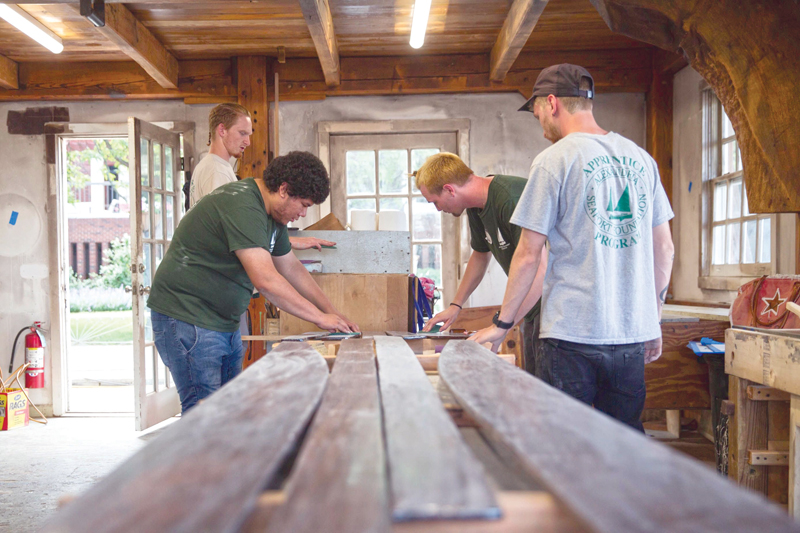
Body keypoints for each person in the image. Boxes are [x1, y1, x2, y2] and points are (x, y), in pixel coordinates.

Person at [470, 64, 675, 431]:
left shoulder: (553, 160)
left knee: (566, 447)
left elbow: (529, 253)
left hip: (571, 337)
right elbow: (665, 248)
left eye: (537, 115)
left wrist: (502, 324)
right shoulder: (642, 160)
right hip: (630, 335)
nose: (541, 125)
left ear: (552, 103)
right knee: (626, 444)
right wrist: (652, 319)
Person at [148, 151, 359, 413]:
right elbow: (267, 281)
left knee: (229, 410)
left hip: (221, 320)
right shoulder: (243, 205)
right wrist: (318, 318)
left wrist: (332, 312)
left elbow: (292, 268)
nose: (303, 214)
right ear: (284, 189)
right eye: (303, 204)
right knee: (203, 415)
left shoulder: (273, 217)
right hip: (186, 318)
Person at [415, 152, 548, 375]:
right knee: (537, 383)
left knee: (551, 397)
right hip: (534, 309)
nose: (438, 210)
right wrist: (455, 306)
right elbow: (480, 254)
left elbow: (540, 269)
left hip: (557, 309)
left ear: (449, 189)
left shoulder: (510, 199)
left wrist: (503, 325)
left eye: (435, 202)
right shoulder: (476, 207)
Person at [189, 102, 333, 251]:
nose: (248, 142)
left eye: (249, 135)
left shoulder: (213, 166)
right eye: (242, 133)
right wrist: (289, 241)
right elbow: (229, 230)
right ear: (222, 130)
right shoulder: (216, 170)